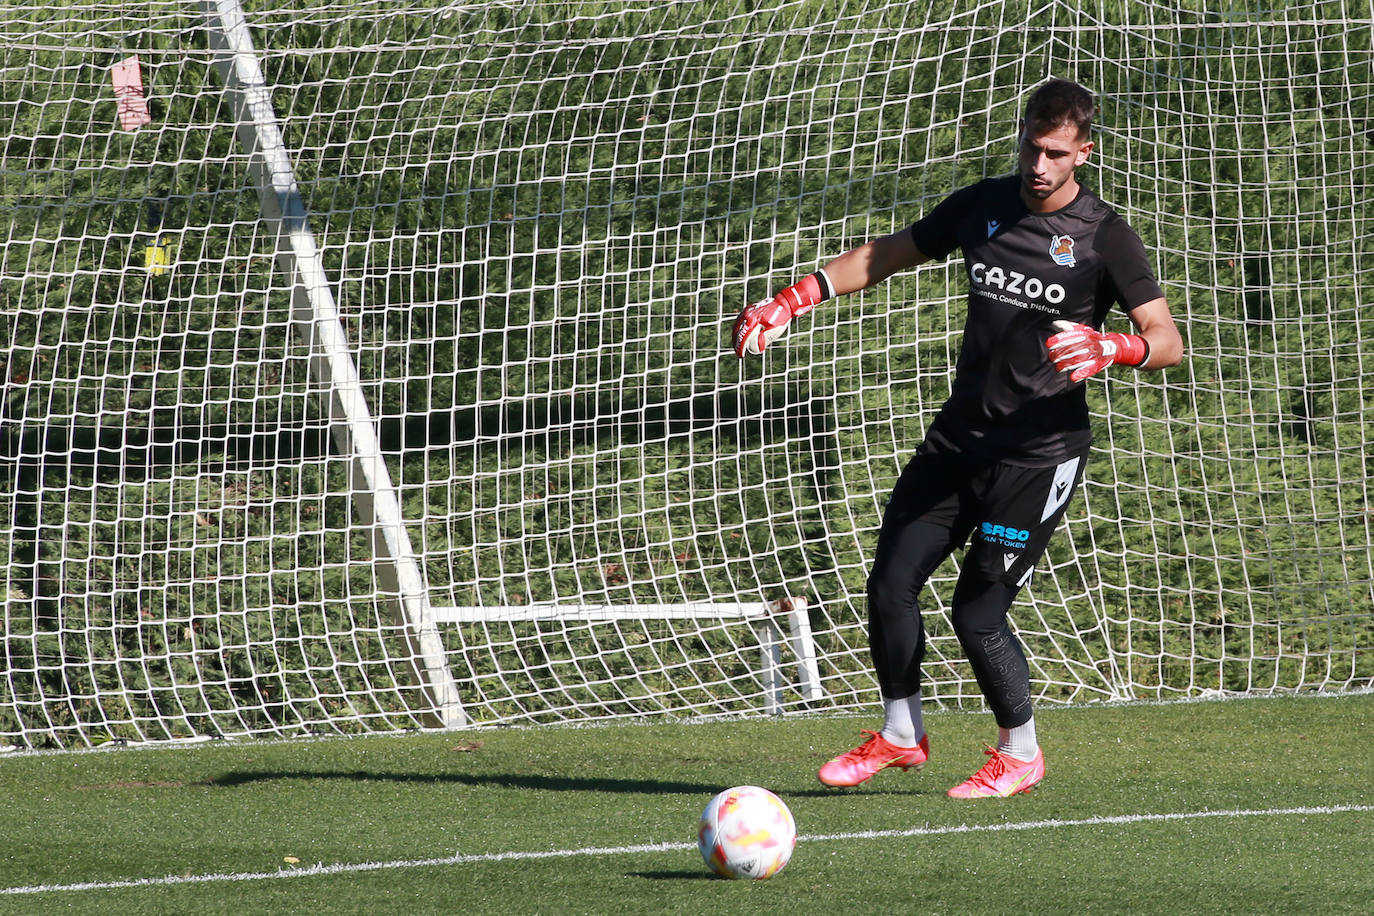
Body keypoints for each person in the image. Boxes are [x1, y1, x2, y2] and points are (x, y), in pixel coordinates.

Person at [731, 78, 1183, 798]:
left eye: (1056, 153)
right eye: (1032, 147)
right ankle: (901, 734)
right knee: (889, 583)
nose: (1039, 165)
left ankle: (1021, 754)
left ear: (1083, 154)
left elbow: (1168, 339)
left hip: (1038, 458)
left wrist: (1115, 349)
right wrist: (796, 297)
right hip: (959, 439)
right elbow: (885, 255)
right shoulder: (985, 207)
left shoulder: (1105, 236)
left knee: (977, 614)